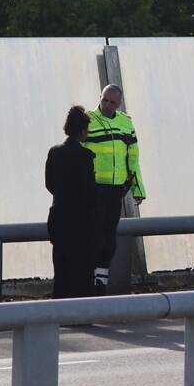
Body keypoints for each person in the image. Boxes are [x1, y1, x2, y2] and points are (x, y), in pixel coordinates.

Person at [84, 84, 147, 292]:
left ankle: (100, 281)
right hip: (92, 191)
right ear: (100, 97)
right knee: (92, 236)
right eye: (104, 100)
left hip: (115, 191)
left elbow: (133, 157)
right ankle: (89, 279)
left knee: (109, 238)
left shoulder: (125, 123)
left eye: (112, 102)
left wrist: (137, 188)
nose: (107, 105)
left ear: (119, 104)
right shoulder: (88, 120)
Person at [45, 106, 96, 299]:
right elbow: (90, 191)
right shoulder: (86, 156)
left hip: (58, 216)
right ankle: (81, 308)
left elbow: (49, 184)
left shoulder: (54, 153)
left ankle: (60, 306)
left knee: (61, 267)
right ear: (82, 131)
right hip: (81, 220)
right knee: (82, 268)